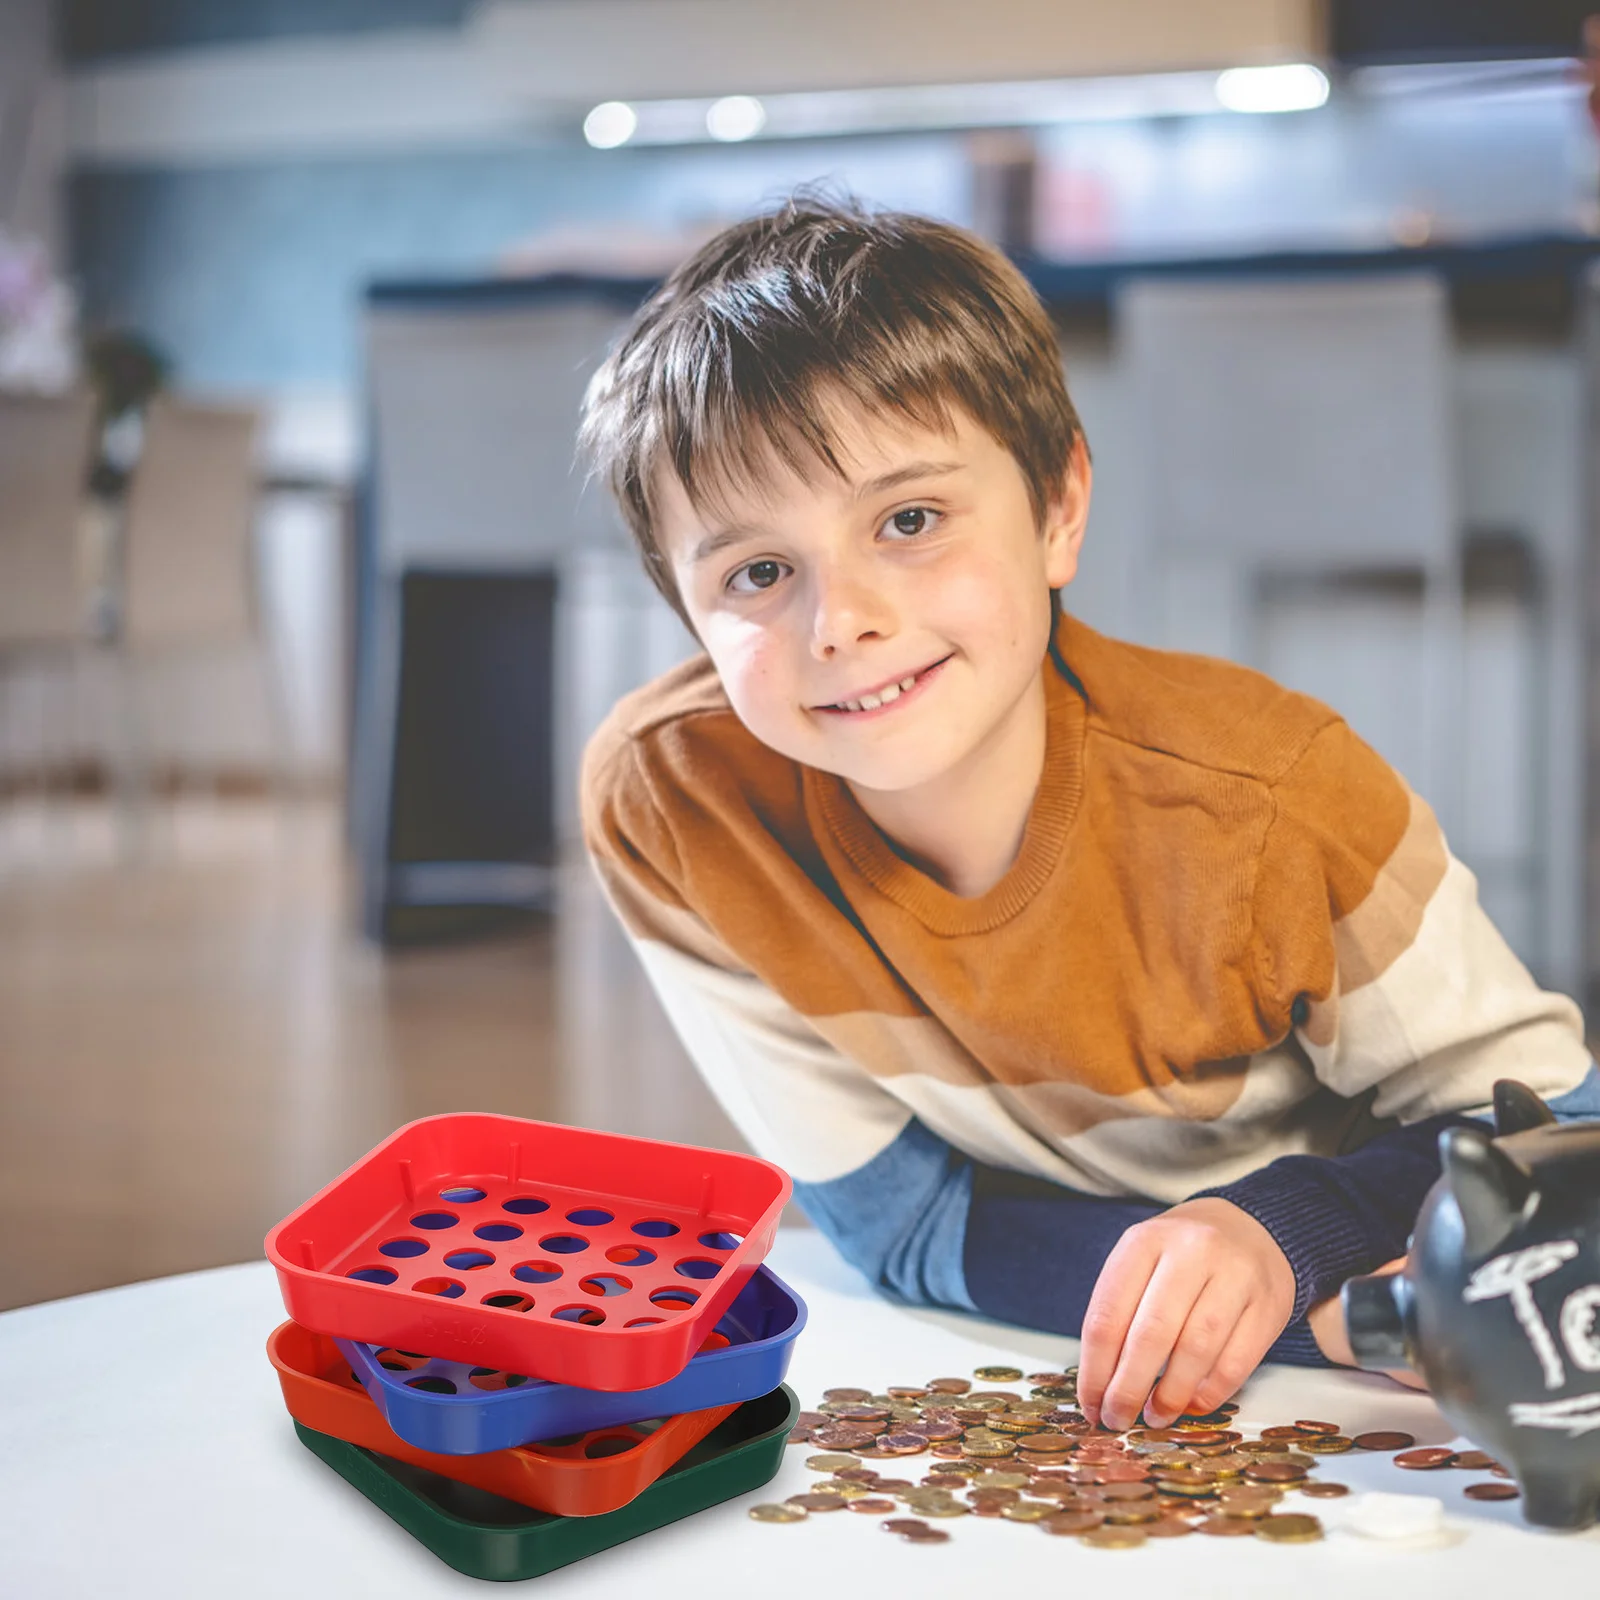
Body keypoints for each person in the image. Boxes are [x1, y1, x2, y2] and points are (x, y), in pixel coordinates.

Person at [577, 194, 1600, 1431]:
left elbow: (1558, 1139)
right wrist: (1279, 1302)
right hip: (1262, 1345)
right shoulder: (674, 804)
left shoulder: (1274, 805)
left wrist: (1284, 1235)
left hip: (1378, 1368)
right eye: (756, 572)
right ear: (686, 614)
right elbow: (897, 1224)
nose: (837, 621)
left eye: (909, 520)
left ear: (1058, 509)